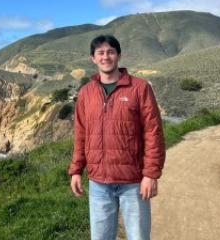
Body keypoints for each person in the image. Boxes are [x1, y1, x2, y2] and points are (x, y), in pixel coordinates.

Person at [68, 34, 166, 240]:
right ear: (93, 58)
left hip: (134, 182)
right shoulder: (86, 93)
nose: (106, 57)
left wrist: (151, 174)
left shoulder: (139, 88)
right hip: (98, 183)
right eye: (100, 53)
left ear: (119, 56)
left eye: (110, 52)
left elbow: (153, 132)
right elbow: (81, 134)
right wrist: (76, 170)